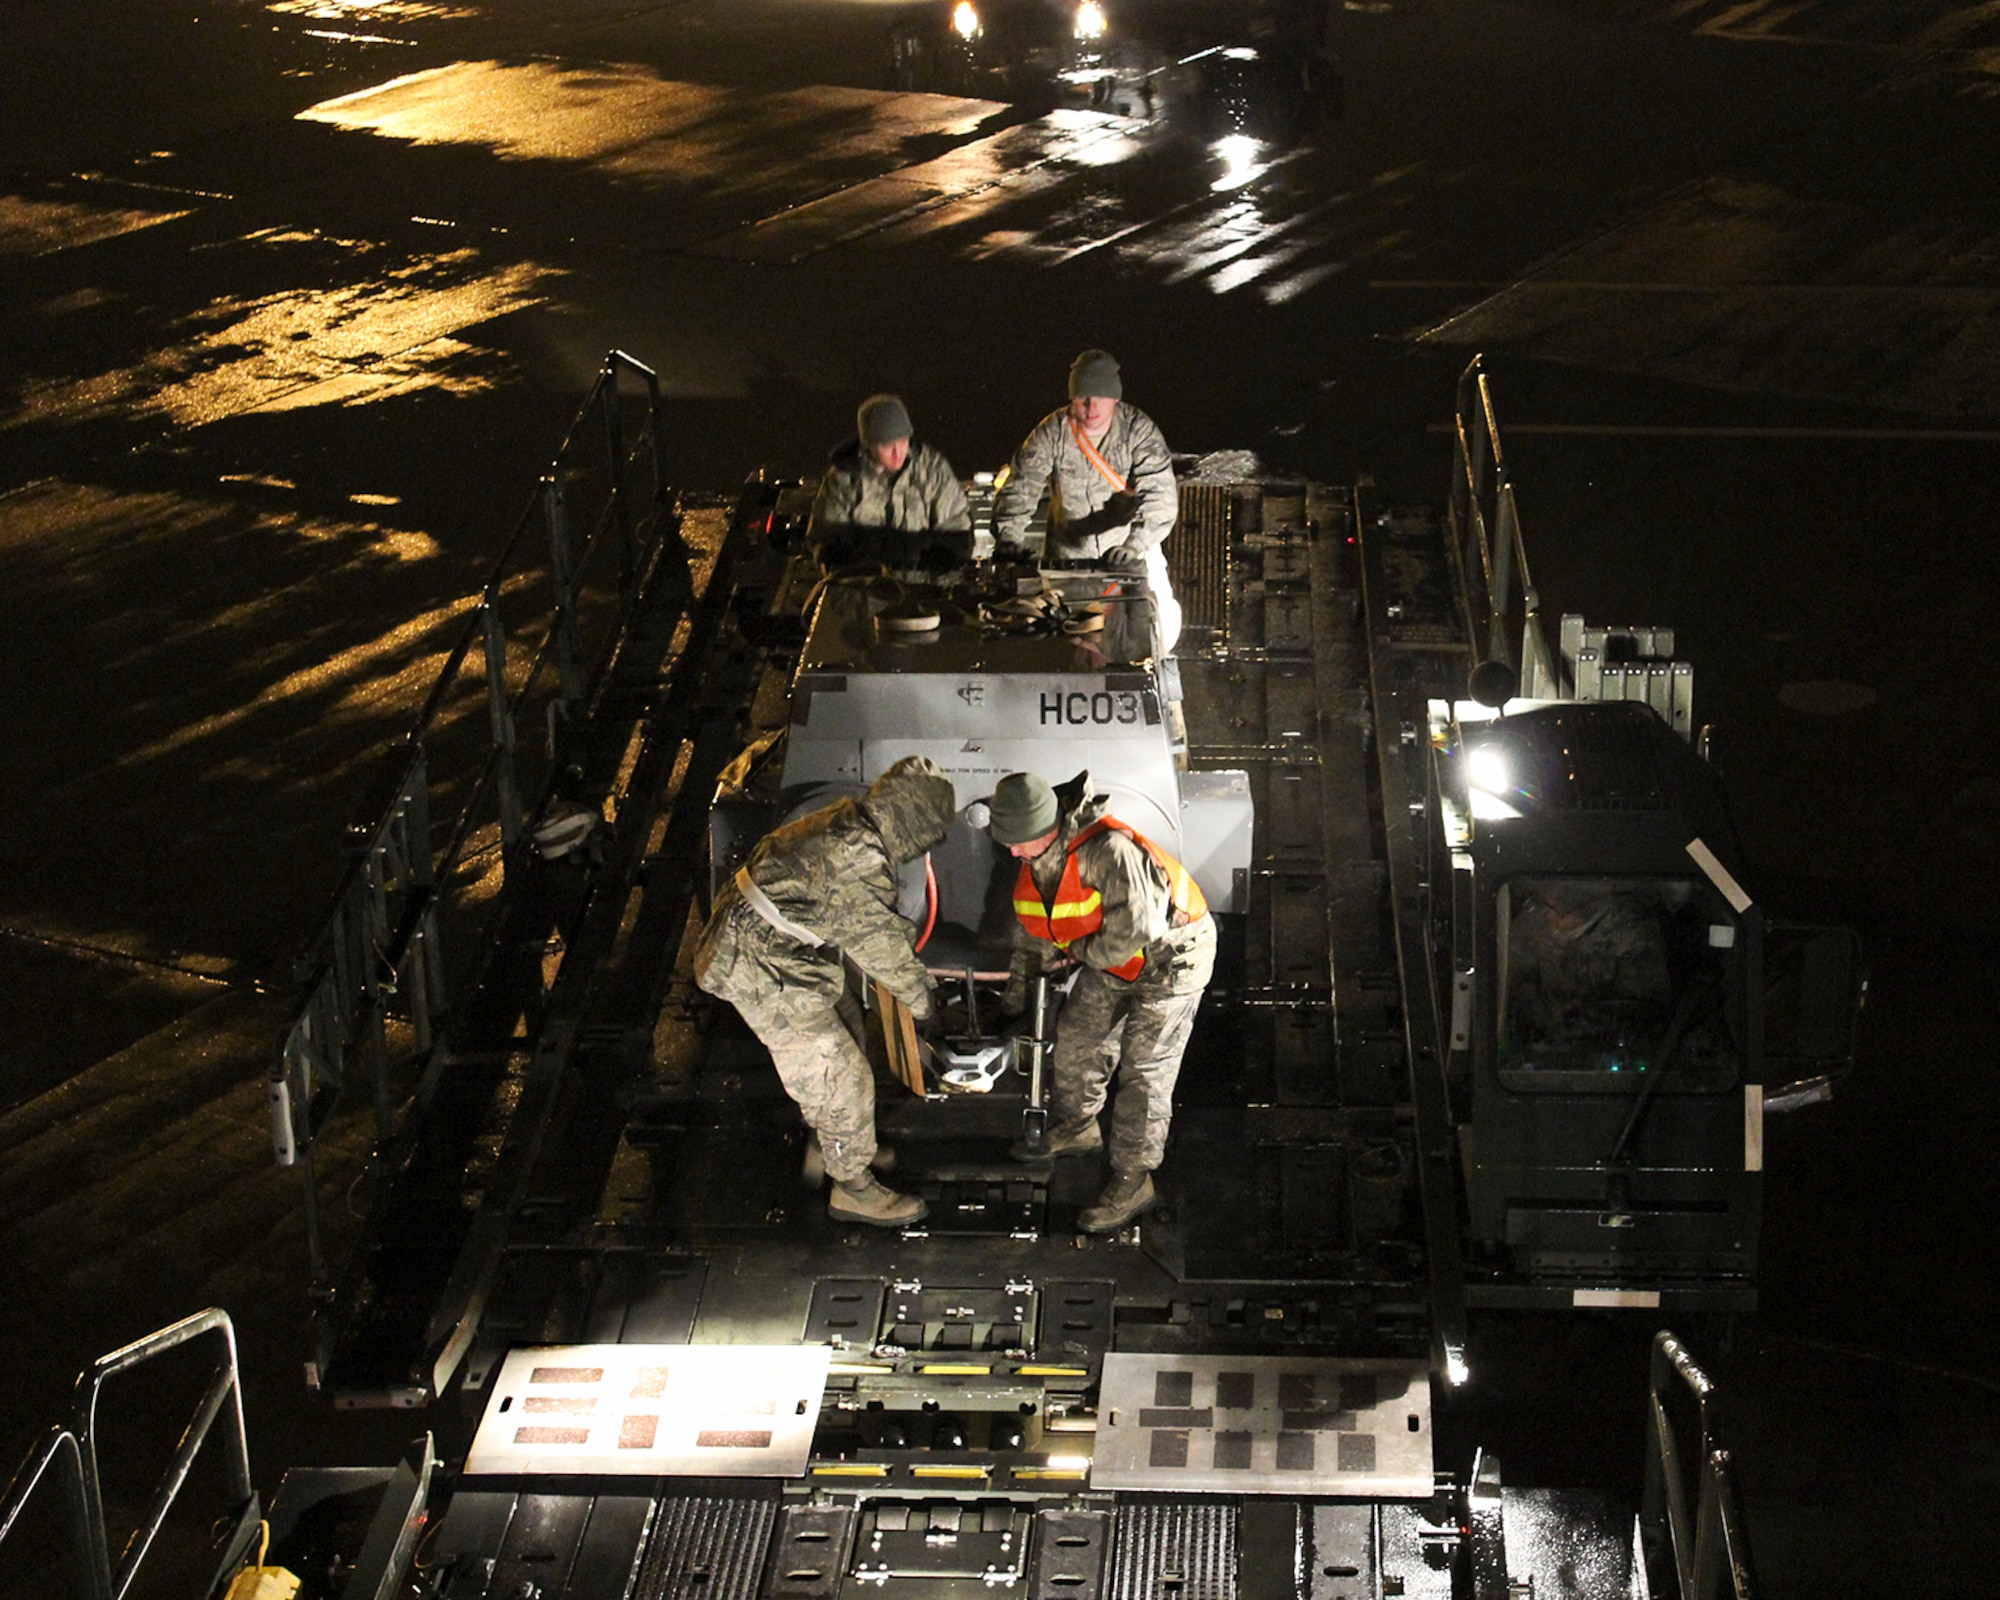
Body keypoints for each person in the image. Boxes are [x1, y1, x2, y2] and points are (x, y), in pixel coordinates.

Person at [693, 755, 958, 1226]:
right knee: (841, 1071)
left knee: (848, 1032)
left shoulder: (851, 820)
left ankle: (838, 1142)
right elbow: (885, 950)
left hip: (778, 948)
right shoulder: (857, 860)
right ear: (910, 823)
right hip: (756, 964)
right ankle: (852, 1187)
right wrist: (925, 1009)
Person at [988, 770, 1216, 1232]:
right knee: (1077, 1037)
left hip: (1173, 958)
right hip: (1115, 962)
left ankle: (1134, 1181)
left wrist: (1078, 954)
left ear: (1046, 830)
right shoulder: (1036, 865)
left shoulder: (1108, 851)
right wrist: (1010, 1005)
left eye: (1018, 842)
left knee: (1145, 1071)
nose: (1011, 852)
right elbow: (1033, 942)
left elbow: (1140, 927)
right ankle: (1078, 1127)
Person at [991, 349, 1183, 652]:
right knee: (1068, 645)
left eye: (1100, 397)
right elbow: (1021, 485)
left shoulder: (1138, 431)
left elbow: (1160, 495)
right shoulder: (1052, 432)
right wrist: (1009, 540)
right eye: (1083, 398)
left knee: (1152, 637)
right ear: (1072, 398)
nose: (1091, 407)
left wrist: (1135, 544)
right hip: (1067, 564)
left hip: (1129, 560)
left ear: (1115, 398)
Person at [808, 393, 974, 579]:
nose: (898, 452)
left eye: (903, 441)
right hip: (861, 593)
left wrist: (947, 557)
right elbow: (825, 538)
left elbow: (958, 530)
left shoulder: (933, 471)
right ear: (868, 445)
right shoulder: (845, 478)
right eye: (887, 445)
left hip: (922, 594)